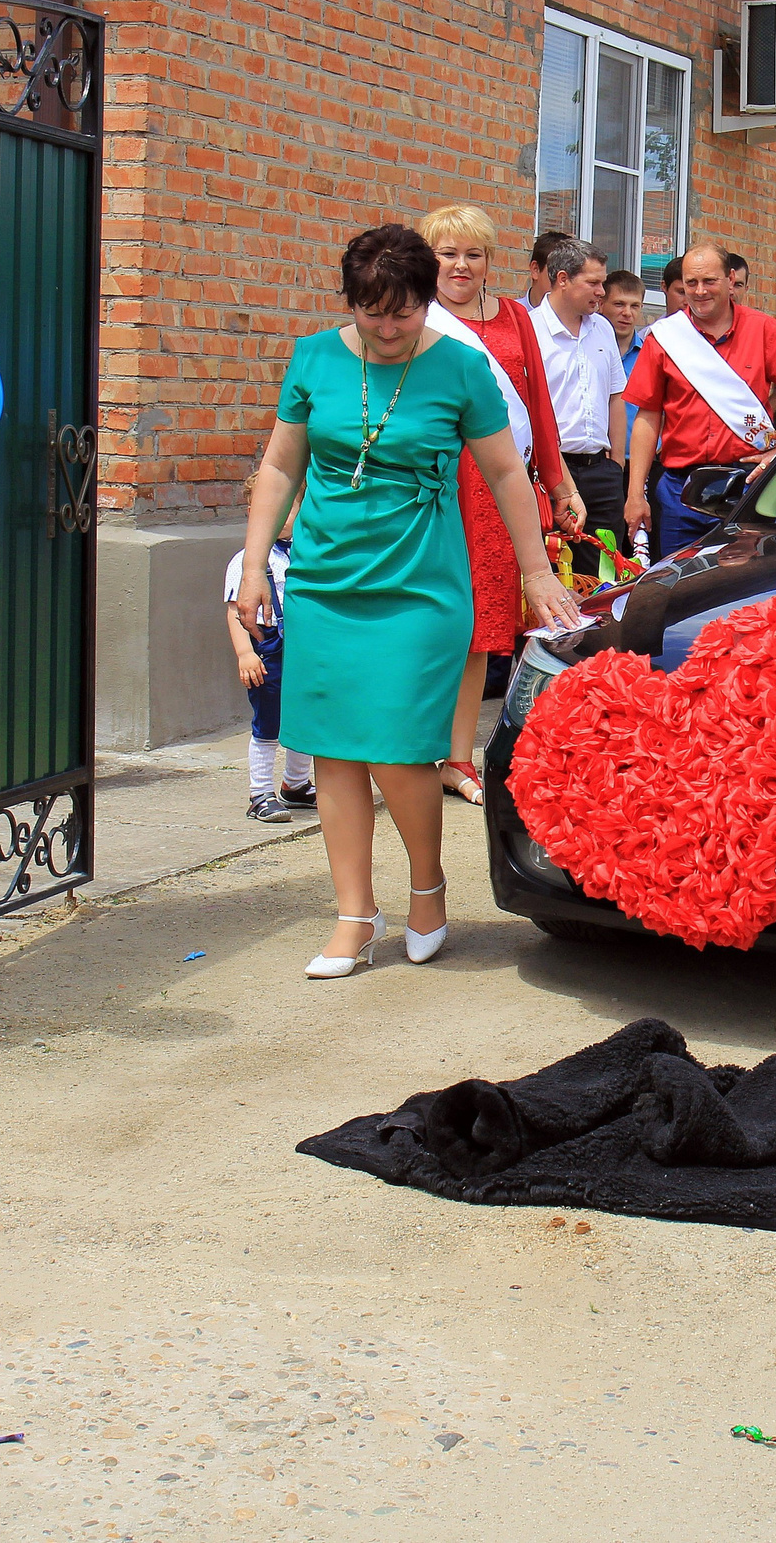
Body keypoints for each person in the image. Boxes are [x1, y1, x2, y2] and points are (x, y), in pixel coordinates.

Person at [236, 225, 582, 975]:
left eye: (403, 313)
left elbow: (505, 473)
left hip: (421, 587)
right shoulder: (315, 358)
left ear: (428, 302)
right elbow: (279, 465)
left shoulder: (460, 367)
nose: (388, 329)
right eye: (371, 312)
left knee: (397, 751)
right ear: (351, 302)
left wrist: (536, 570)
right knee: (332, 750)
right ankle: (355, 915)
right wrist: (255, 564)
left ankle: (428, 886)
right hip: (327, 581)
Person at [423, 204, 581, 807]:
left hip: (497, 491)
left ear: (491, 261)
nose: (461, 265)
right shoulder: (418, 319)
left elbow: (538, 409)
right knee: (433, 622)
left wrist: (561, 486)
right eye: (448, 252)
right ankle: (411, 746)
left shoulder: (516, 317)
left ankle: (458, 757)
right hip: (435, 487)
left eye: (474, 254)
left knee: (482, 627)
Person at [622, 244, 776, 558]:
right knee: (678, 592)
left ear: (730, 279)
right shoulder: (665, 337)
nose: (699, 291)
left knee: (743, 594)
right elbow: (647, 416)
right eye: (691, 283)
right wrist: (635, 493)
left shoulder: (762, 329)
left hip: (747, 488)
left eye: (709, 281)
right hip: (681, 491)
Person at [224, 474, 316, 823]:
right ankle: (260, 793)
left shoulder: (309, 553)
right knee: (268, 723)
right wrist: (246, 653)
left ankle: (295, 785)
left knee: (305, 719)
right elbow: (235, 612)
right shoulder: (247, 561)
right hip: (269, 652)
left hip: (305, 650)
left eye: (286, 508)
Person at [532, 237, 631, 548]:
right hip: (549, 472)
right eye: (593, 283)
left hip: (602, 473)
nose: (602, 292)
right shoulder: (530, 330)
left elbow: (616, 395)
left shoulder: (602, 328)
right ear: (563, 279)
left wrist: (617, 464)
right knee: (553, 566)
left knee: (603, 571)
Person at [527, 229, 572, 306]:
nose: (563, 282)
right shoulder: (511, 314)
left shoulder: (584, 317)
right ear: (535, 269)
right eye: (556, 272)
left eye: (572, 275)